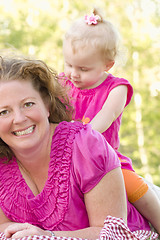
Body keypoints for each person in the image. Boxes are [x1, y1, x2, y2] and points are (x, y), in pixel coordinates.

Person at [0, 53, 151, 239]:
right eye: (4, 112)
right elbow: (2, 227)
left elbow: (110, 233)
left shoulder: (86, 146)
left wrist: (47, 236)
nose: (20, 119)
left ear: (46, 105)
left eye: (28, 104)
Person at [60, 9, 160, 232]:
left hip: (105, 160)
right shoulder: (62, 84)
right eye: (68, 64)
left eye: (83, 69)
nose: (73, 74)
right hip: (65, 157)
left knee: (134, 187)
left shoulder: (117, 89)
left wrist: (75, 136)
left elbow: (100, 123)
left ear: (108, 65)